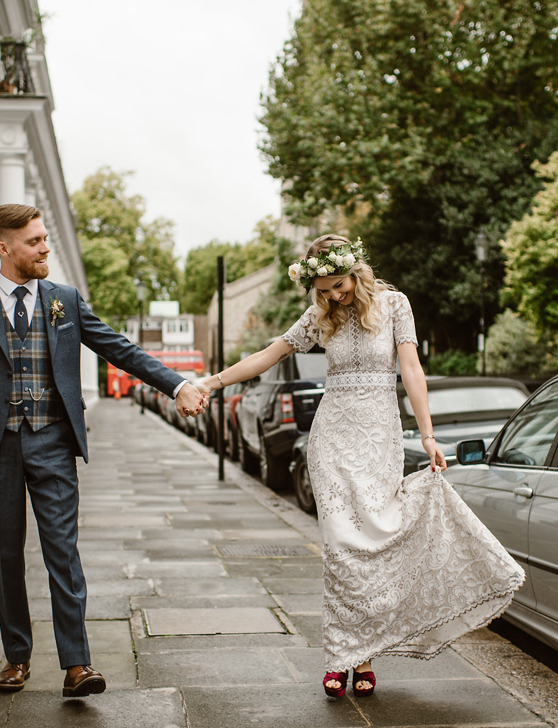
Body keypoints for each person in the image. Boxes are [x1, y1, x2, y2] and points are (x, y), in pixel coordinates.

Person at [203, 234, 524, 697]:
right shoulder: (318, 317)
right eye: (325, 290)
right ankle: (341, 655)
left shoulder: (395, 306)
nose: (335, 296)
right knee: (340, 547)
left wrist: (428, 434)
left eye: (339, 285)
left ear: (356, 271)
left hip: (380, 438)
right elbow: (268, 355)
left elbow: (412, 370)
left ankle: (367, 652)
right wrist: (213, 382)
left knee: (376, 540)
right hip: (331, 439)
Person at [0, 204, 207, 697]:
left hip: (53, 441)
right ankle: (17, 658)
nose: (44, 248)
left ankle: (77, 664)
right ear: (5, 247)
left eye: (43, 239)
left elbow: (120, 348)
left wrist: (176, 384)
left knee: (63, 552)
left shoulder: (64, 299)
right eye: (35, 241)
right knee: (5, 557)